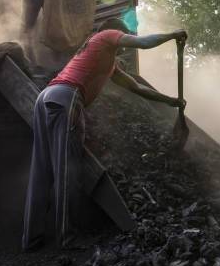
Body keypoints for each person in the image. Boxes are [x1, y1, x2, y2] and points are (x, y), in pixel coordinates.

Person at [22, 19, 187, 251]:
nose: (124, 44)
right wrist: (172, 35)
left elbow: (138, 88)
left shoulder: (107, 63)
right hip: (67, 98)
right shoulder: (105, 35)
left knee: (42, 169)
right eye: (124, 37)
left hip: (47, 98)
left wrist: (171, 101)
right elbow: (143, 42)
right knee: (67, 171)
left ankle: (31, 239)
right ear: (117, 33)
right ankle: (66, 238)